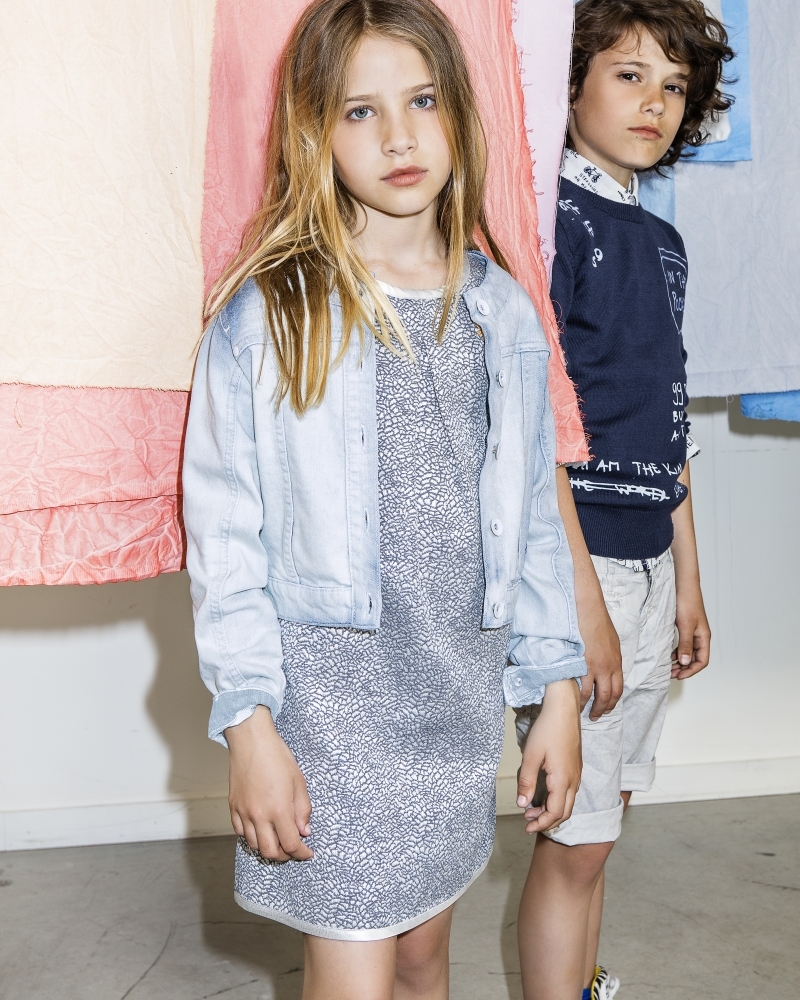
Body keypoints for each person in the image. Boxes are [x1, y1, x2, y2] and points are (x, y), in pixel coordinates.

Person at [182, 1, 587, 997]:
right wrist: (249, 723)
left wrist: (555, 689)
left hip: (451, 688)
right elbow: (223, 537)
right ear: (313, 131)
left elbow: (533, 524)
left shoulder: (500, 312)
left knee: (417, 955)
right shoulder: (270, 313)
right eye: (360, 111)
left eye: (422, 101)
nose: (399, 136)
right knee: (355, 963)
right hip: (325, 705)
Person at [515, 2, 733, 998]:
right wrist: (582, 604)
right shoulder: (549, 224)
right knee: (574, 832)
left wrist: (688, 579)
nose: (654, 103)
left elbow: (666, 416)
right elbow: (537, 423)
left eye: (673, 85)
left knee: (603, 823)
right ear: (571, 85)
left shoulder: (663, 242)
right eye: (628, 74)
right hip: (584, 560)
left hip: (648, 559)